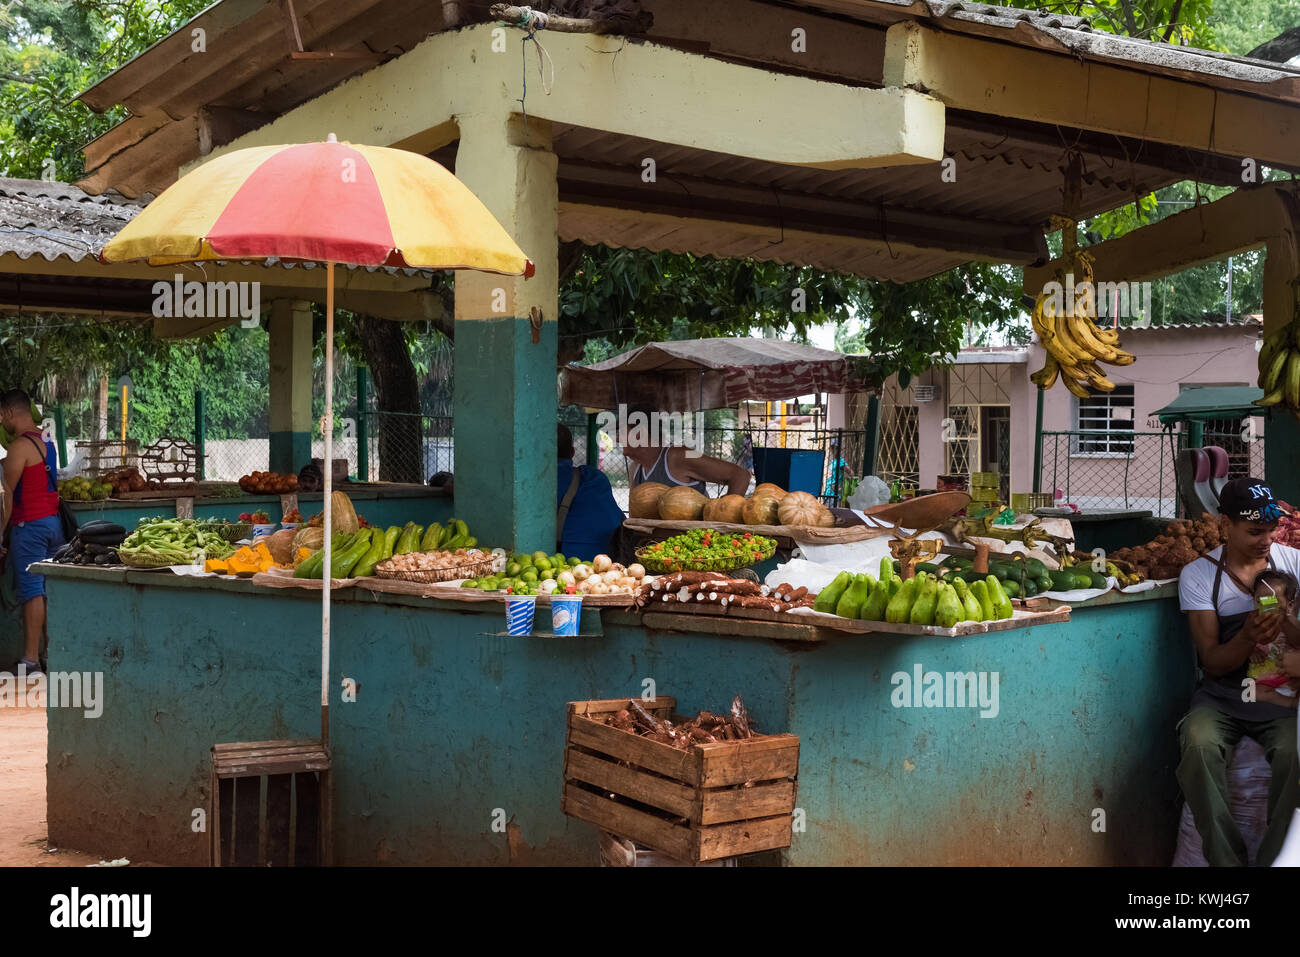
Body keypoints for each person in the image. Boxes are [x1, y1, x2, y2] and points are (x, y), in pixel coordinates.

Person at [1177, 477, 1300, 866]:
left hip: (1280, 697)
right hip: (1223, 696)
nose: (1265, 540)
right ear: (1225, 525)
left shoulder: (1293, 563)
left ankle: (1274, 861)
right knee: (1197, 743)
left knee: (1293, 755)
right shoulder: (1198, 576)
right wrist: (1248, 636)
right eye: (1253, 532)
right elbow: (1211, 661)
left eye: (1270, 530)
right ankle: (1226, 861)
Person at [0, 389, 64, 676]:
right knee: (48, 590)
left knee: (31, 591)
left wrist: (0, 534)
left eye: (2, 415)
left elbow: (7, 495)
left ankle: (30, 661)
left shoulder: (18, 447)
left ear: (11, 413)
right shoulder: (46, 439)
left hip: (30, 526)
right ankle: (52, 653)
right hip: (52, 524)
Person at [621, 406, 751, 496]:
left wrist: (725, 515)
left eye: (620, 432)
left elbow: (740, 475)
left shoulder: (680, 455)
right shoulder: (635, 468)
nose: (617, 438)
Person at [556, 424, 624, 559]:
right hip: (609, 563)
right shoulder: (595, 478)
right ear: (572, 452)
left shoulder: (537, 484)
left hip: (566, 564)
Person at [1247, 570, 1300, 702]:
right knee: (1251, 693)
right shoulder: (1253, 621)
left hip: (1289, 675)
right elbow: (1245, 642)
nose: (1265, 606)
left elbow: (1297, 641)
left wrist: (1285, 622)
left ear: (1290, 605)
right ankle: (1288, 703)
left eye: (1272, 602)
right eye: (1260, 601)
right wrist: (1252, 651)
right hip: (1262, 678)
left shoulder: (1292, 622)